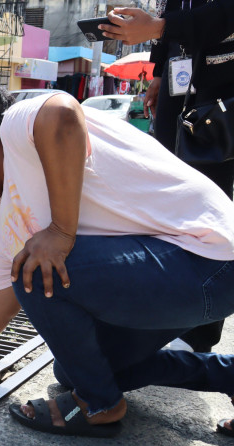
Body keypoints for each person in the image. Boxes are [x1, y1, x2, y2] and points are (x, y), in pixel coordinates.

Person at [0, 84, 234, 438]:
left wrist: (60, 232)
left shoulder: (14, 129)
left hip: (210, 259)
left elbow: (61, 112)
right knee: (78, 368)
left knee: (35, 267)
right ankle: (224, 375)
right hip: (190, 278)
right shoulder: (10, 218)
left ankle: (98, 403)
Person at [100, 4, 234, 356]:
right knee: (163, 197)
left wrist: (160, 28)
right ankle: (161, 317)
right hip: (180, 79)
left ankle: (199, 335)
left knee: (210, 205)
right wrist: (159, 69)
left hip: (222, 86)